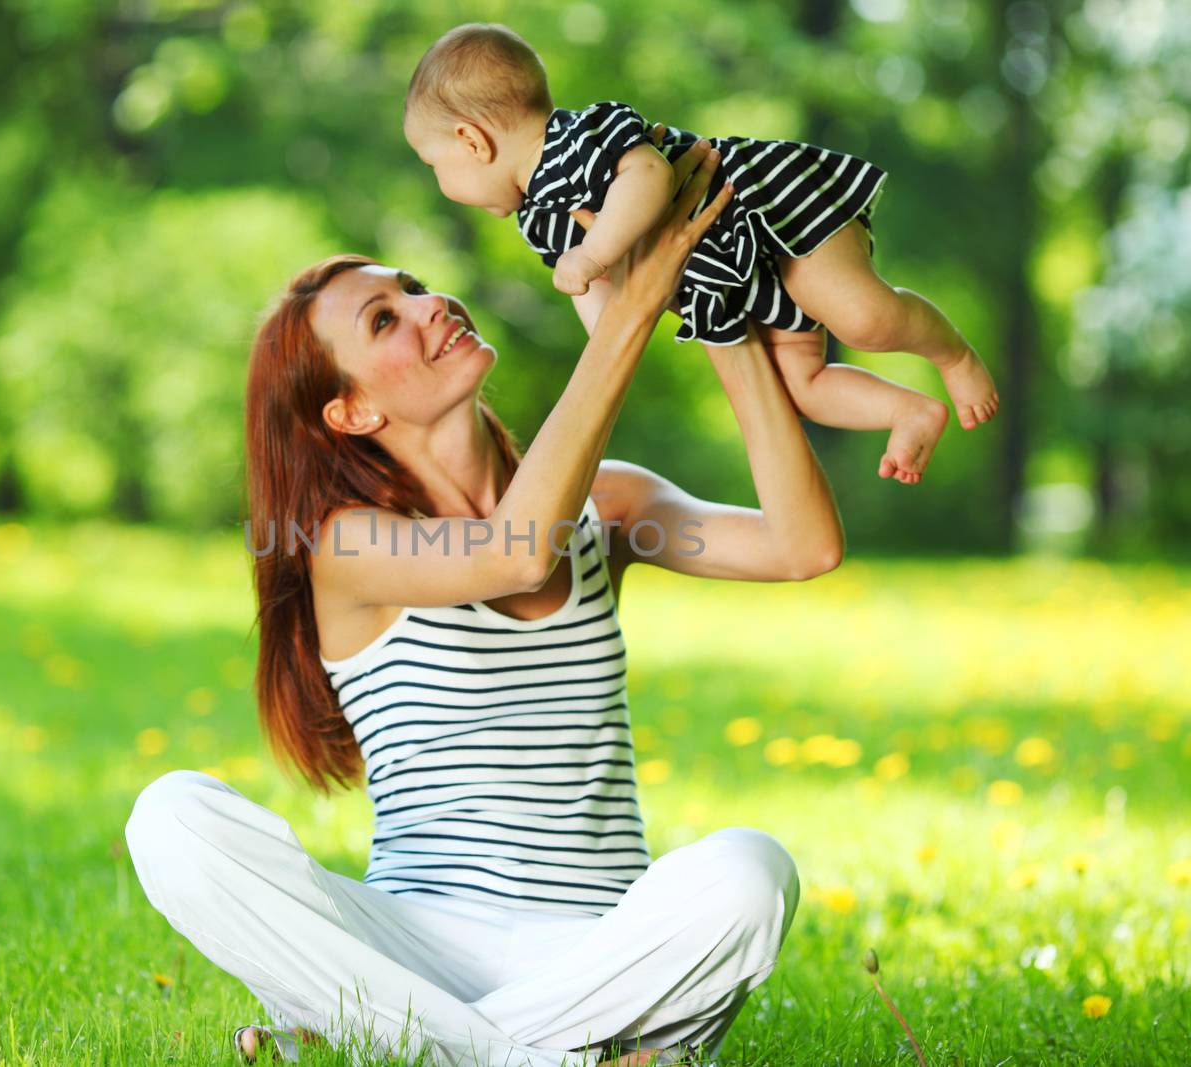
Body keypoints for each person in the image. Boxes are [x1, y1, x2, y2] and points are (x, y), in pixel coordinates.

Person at [125, 141, 841, 1067]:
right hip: (412, 948)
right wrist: (630, 307)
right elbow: (511, 553)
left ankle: (404, 1048)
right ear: (351, 413)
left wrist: (721, 313)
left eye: (415, 285)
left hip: (596, 953)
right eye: (385, 320)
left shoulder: (606, 508)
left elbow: (802, 545)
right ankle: (545, 1056)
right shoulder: (346, 543)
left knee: (751, 871)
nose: (431, 306)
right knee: (171, 815)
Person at [403, 23, 1001, 485]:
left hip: (771, 216)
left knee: (862, 317)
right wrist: (610, 345)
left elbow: (647, 178)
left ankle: (951, 356)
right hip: (743, 281)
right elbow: (605, 302)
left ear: (472, 141)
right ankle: (910, 411)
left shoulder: (575, 138)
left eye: (435, 167)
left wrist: (594, 254)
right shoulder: (540, 222)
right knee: (803, 388)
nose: (440, 183)